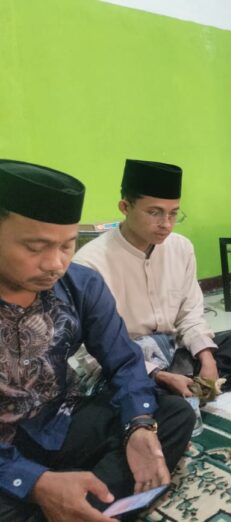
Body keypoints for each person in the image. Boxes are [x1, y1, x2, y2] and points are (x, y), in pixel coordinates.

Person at [0, 160, 195, 521]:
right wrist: (33, 482)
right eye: (35, 247)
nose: (55, 264)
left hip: (57, 421)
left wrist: (139, 424)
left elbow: (124, 361)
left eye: (67, 245)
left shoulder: (80, 285)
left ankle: (75, 505)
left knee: (171, 415)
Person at [73, 160, 231, 396]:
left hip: (173, 351)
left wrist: (207, 359)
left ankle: (182, 392)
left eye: (173, 213)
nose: (166, 224)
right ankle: (175, 395)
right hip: (126, 362)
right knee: (122, 390)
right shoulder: (90, 263)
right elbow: (91, 352)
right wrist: (159, 375)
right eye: (154, 213)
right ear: (125, 207)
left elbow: (190, 315)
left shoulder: (180, 248)